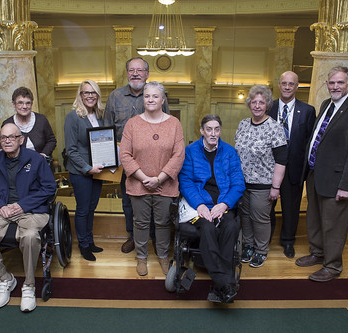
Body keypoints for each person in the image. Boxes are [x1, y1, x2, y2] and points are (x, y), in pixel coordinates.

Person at [296, 66, 348, 282]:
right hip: (315, 175)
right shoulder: (326, 105)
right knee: (315, 218)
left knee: (334, 225)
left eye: (340, 82)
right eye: (332, 83)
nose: (335, 86)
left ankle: (333, 266)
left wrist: (346, 185)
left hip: (337, 180)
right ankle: (318, 253)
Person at [0, 123, 57, 312]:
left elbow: (49, 188)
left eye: (12, 137)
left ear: (21, 140)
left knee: (29, 237)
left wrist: (22, 205)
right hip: (1, 211)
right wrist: (0, 206)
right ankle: (5, 279)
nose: (8, 141)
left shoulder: (36, 160)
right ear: (0, 141)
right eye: (4, 137)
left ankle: (29, 285)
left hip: (31, 210)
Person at [104, 57, 169, 254]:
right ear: (127, 73)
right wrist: (107, 160)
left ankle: (155, 238)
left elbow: (167, 125)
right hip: (126, 161)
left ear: (147, 74)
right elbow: (107, 129)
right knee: (129, 202)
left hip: (154, 160)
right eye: (131, 70)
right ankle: (133, 236)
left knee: (155, 200)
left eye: (139, 70)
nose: (135, 73)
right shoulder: (115, 97)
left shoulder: (156, 94)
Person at [119, 81, 184, 276]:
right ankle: (141, 257)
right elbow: (125, 155)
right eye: (147, 96)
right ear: (143, 100)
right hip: (139, 184)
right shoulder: (132, 124)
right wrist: (144, 178)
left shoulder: (174, 124)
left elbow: (178, 155)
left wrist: (160, 178)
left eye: (155, 96)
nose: (151, 99)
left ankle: (163, 255)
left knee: (163, 222)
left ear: (163, 100)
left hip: (165, 185)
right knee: (140, 222)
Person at [178, 114, 245, 303]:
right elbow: (185, 182)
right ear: (202, 131)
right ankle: (225, 283)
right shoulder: (190, 151)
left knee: (231, 226)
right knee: (207, 228)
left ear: (220, 131)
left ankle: (221, 283)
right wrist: (200, 205)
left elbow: (238, 184)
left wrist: (224, 205)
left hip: (223, 204)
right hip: (199, 206)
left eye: (216, 129)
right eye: (209, 129)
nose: (213, 133)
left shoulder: (230, 152)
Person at [234, 85, 287, 268]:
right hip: (242, 184)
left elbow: (281, 160)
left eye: (261, 102)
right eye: (254, 102)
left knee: (260, 218)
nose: (257, 106)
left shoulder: (274, 128)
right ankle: (248, 246)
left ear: (267, 105)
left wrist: (276, 187)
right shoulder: (243, 124)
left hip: (263, 185)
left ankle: (261, 250)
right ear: (249, 104)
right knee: (245, 217)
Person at [268, 71, 316, 258]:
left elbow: (310, 144)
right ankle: (266, 239)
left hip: (294, 169)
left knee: (291, 208)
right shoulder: (268, 107)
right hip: (269, 168)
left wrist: (306, 170)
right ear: (279, 85)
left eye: (291, 84)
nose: (287, 87)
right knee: (267, 208)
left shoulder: (307, 111)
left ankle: (288, 241)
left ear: (297, 87)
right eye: (284, 83)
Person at [64, 80, 105, 261]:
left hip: (99, 170)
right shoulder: (73, 117)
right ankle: (83, 245)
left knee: (92, 207)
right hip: (81, 172)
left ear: (98, 95)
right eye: (86, 92)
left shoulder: (99, 116)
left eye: (93, 92)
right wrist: (88, 169)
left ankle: (90, 240)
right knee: (82, 210)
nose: (90, 96)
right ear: (80, 95)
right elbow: (71, 150)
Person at [3, 87, 56, 158]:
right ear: (13, 104)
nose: (24, 106)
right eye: (20, 103)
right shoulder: (8, 123)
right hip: (17, 166)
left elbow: (51, 140)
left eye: (28, 103)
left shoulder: (41, 119)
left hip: (42, 164)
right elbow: (5, 145)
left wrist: (43, 154)